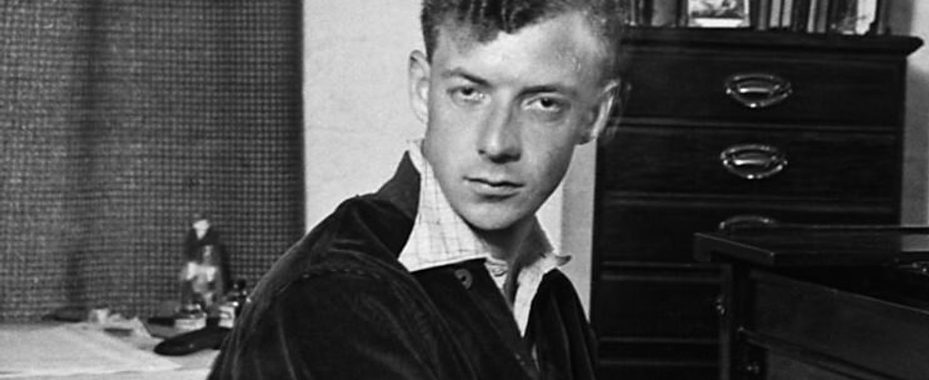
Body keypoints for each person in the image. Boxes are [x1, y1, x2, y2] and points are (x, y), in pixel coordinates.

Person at [208, 0, 624, 378]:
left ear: (594, 115)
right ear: (424, 89)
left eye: (543, 103)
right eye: (469, 93)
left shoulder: (553, 299)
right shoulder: (336, 298)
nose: (497, 143)